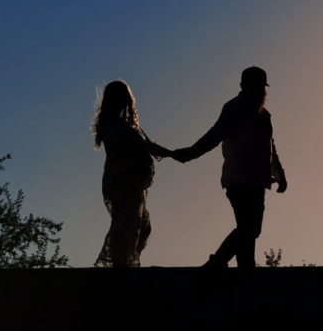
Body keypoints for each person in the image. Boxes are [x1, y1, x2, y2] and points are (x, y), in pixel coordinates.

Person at [173, 66, 287, 268]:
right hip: (239, 180)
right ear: (243, 86)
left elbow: (270, 147)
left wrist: (279, 174)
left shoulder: (264, 116)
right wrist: (190, 154)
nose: (260, 92)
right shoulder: (234, 109)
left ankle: (244, 268)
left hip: (258, 182)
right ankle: (215, 264)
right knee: (250, 228)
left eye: (262, 88)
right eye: (256, 87)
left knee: (247, 232)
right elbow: (214, 136)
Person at [92, 80, 171, 267]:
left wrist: (175, 154)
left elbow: (149, 146)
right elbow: (116, 153)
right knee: (124, 224)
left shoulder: (131, 126)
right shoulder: (111, 126)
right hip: (122, 182)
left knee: (141, 227)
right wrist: (132, 172)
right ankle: (118, 265)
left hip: (134, 182)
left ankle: (125, 262)